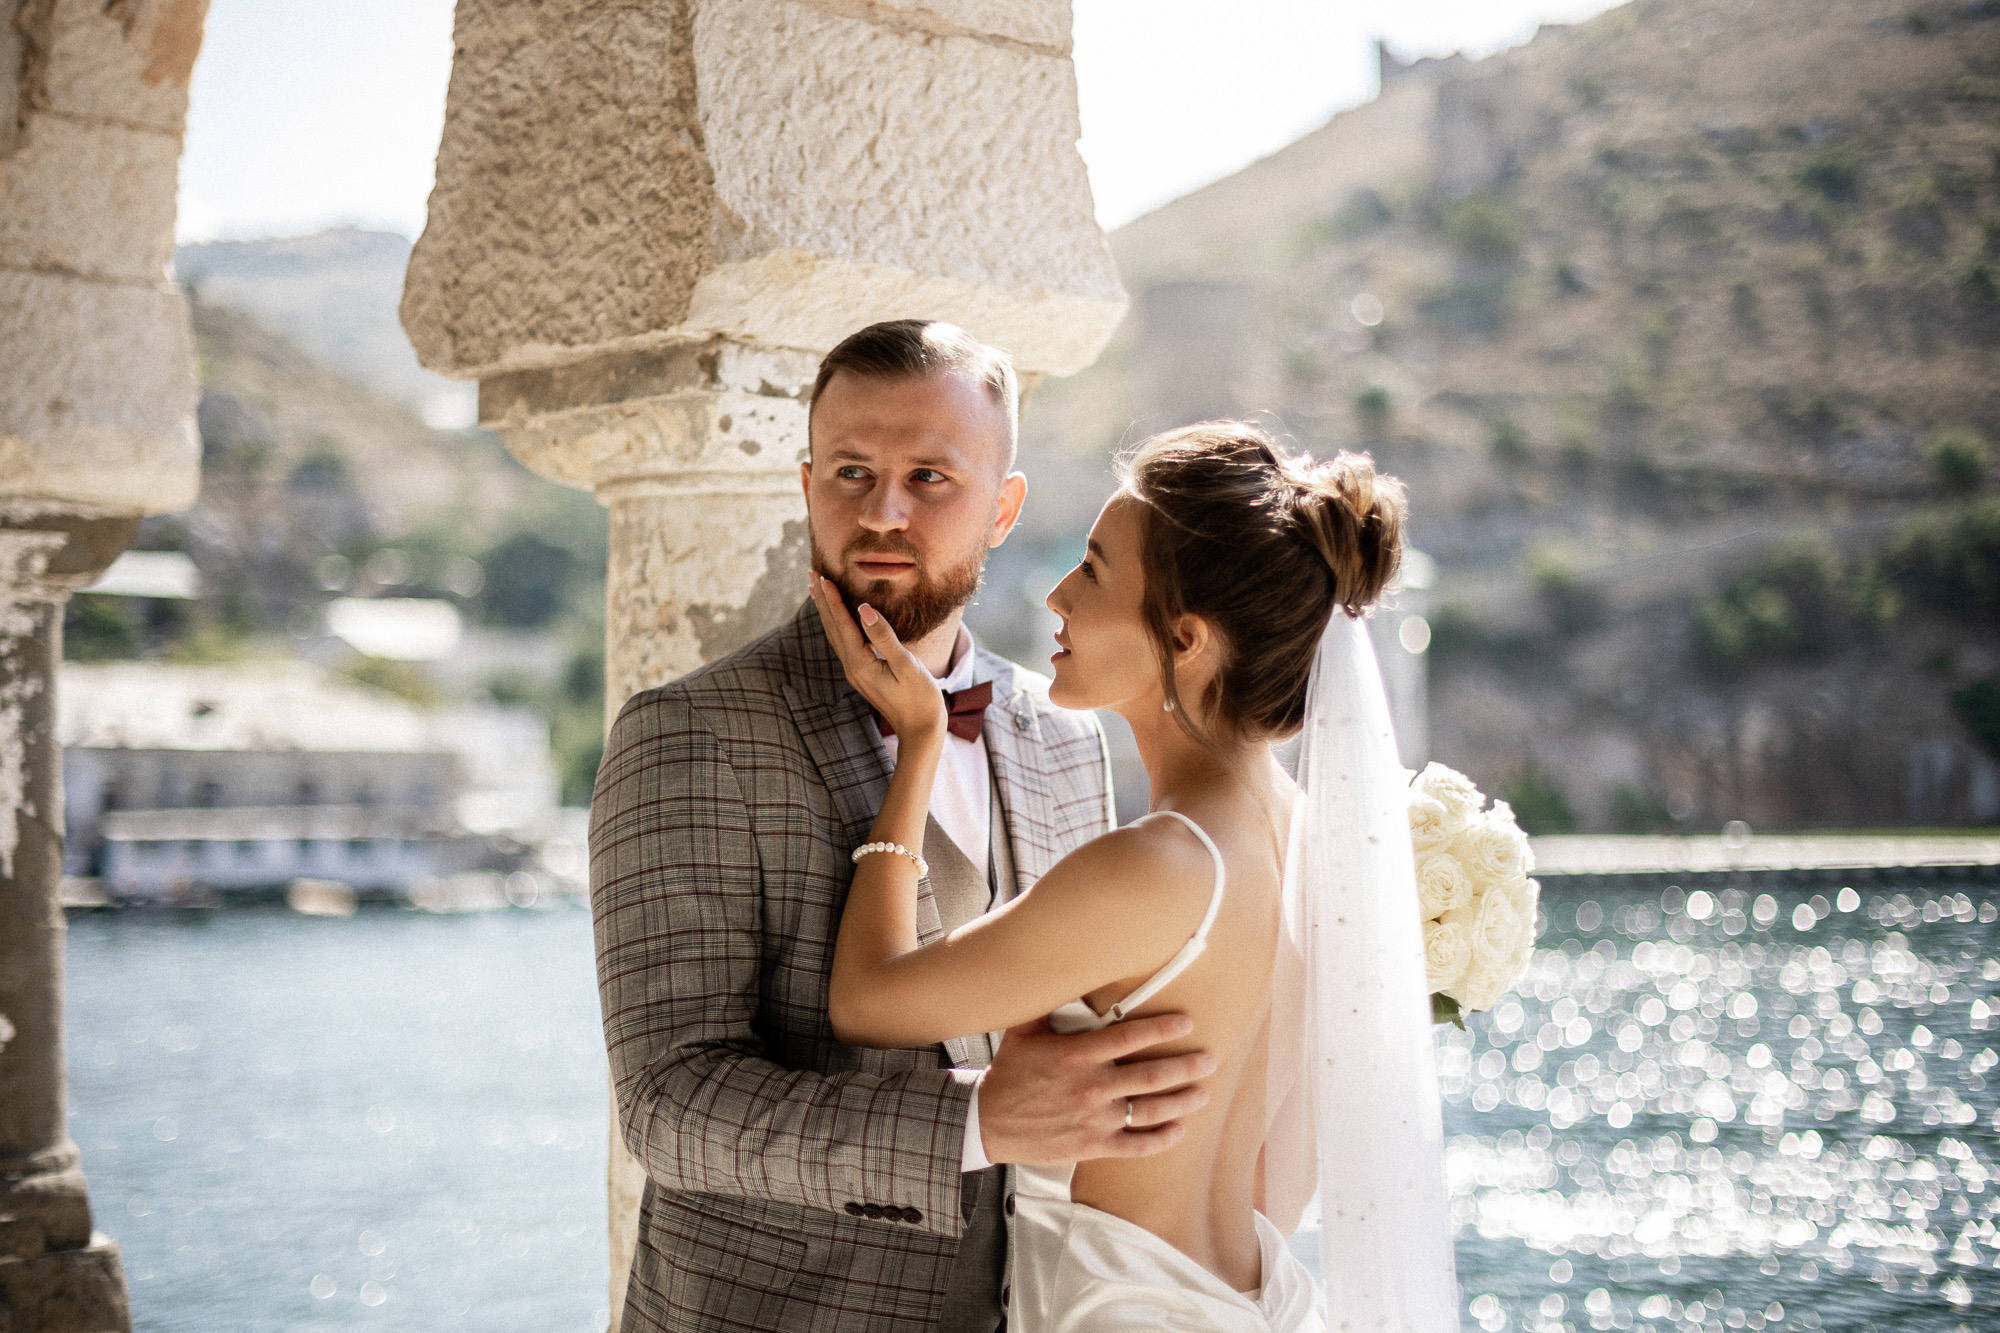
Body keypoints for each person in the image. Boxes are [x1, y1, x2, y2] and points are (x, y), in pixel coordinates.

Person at [589, 320, 1217, 1333]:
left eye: (929, 477)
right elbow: (669, 1106)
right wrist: (977, 1119)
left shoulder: (1064, 737)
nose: (883, 512)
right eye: (851, 473)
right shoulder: (687, 732)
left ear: (1002, 508)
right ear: (806, 487)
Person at [815, 422, 1462, 1331]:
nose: (1057, 595)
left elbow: (867, 998)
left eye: (1093, 569)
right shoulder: (1314, 846)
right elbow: (1276, 1176)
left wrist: (919, 744)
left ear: (1186, 637)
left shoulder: (1158, 866)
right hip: (1248, 1299)